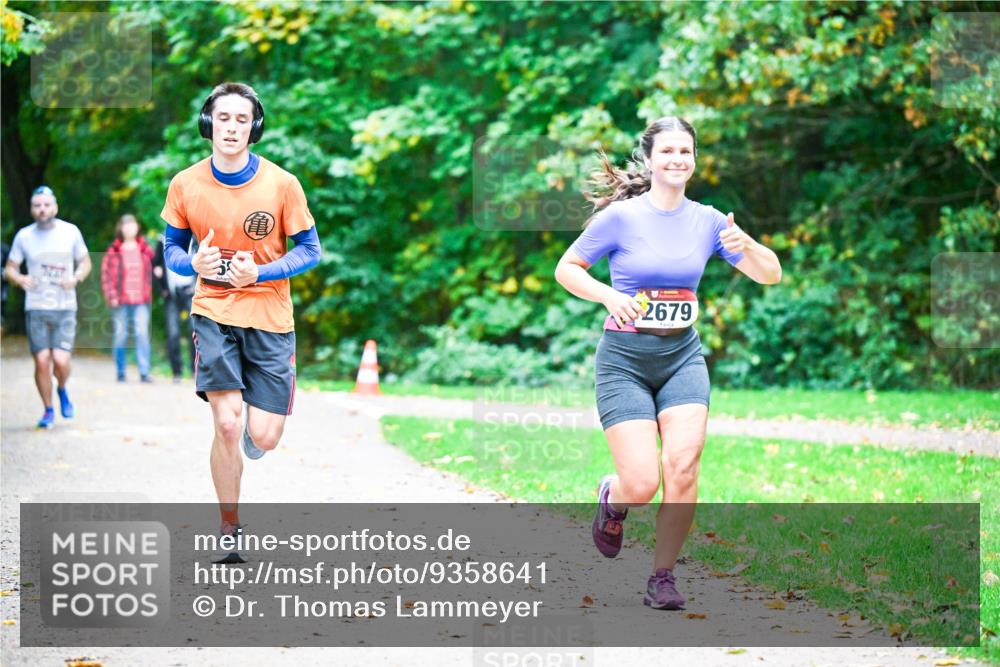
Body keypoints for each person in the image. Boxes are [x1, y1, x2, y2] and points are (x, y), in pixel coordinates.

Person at [554, 117, 781, 610]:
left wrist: (751, 246)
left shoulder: (710, 221)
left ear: (694, 159)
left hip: (682, 357)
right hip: (624, 362)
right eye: (668, 151)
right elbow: (566, 269)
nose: (678, 159)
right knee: (641, 482)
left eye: (686, 151)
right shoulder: (622, 218)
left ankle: (663, 576)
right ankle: (613, 500)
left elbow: (770, 274)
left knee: (683, 466)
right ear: (651, 159)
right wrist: (610, 297)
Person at [159, 82, 321, 563]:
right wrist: (194, 266)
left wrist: (262, 271)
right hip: (213, 311)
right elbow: (171, 250)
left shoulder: (282, 184)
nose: (232, 128)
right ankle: (229, 528)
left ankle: (257, 435)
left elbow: (311, 251)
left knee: (262, 436)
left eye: (242, 120)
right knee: (226, 425)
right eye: (224, 118)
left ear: (255, 128)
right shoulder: (185, 184)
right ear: (209, 123)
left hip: (270, 316)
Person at [4, 185, 92, 429]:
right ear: (32, 209)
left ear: (55, 206)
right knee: (42, 360)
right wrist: (20, 278)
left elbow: (85, 262)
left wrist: (75, 278)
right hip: (36, 306)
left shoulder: (70, 232)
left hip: (64, 305)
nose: (42, 209)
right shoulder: (24, 236)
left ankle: (62, 388)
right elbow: (10, 268)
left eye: (46, 205)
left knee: (61, 360)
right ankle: (48, 409)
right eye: (37, 206)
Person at [101, 214, 155, 383]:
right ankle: (120, 371)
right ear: (121, 228)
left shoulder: (145, 249)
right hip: (120, 300)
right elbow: (106, 276)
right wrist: (111, 296)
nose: (130, 228)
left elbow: (156, 268)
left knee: (142, 334)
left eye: (132, 224)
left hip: (141, 300)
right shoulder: (113, 250)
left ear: (137, 227)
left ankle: (144, 372)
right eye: (126, 225)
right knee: (120, 335)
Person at [153, 232, 197, 382]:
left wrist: (197, 286)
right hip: (171, 293)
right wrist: (162, 290)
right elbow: (156, 266)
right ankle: (176, 372)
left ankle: (195, 370)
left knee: (195, 331)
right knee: (173, 333)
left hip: (191, 291)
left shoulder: (196, 237)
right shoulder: (163, 239)